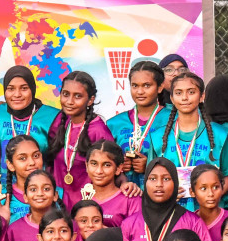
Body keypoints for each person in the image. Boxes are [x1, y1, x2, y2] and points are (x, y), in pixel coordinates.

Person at [145, 72, 228, 210]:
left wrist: (211, 196)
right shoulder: (157, 137)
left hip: (209, 212)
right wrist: (165, 196)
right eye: (179, 93)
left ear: (202, 96)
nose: (185, 98)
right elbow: (151, 178)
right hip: (171, 211)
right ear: (172, 98)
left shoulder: (220, 134)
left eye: (191, 92)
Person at [122, 158, 215, 241]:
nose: (159, 184)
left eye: (166, 179)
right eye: (153, 179)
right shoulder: (129, 223)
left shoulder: (192, 221)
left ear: (176, 183)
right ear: (145, 183)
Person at [47, 71, 115, 211]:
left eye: (78, 96)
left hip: (86, 209)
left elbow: (111, 172)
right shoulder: (59, 121)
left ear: (90, 100)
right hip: (57, 206)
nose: (70, 101)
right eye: (66, 94)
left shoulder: (98, 131)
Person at [106, 60, 169, 185]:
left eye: (146, 85)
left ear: (160, 87)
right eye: (135, 86)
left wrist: (151, 165)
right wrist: (118, 165)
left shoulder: (172, 119)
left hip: (160, 194)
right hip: (124, 193)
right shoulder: (115, 124)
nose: (140, 91)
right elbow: (104, 160)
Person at [0, 66, 61, 162]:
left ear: (32, 90)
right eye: (11, 89)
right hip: (5, 177)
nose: (17, 94)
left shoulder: (52, 117)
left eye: (24, 88)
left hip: (39, 176)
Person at [0, 169, 58, 241]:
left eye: (46, 189)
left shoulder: (67, 227)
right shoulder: (14, 230)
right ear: (25, 197)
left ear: (55, 195)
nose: (40, 193)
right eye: (33, 189)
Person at [77, 140, 138, 228]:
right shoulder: (82, 196)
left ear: (118, 168)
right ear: (86, 166)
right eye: (94, 164)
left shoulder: (130, 199)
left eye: (107, 165)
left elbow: (137, 235)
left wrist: (103, 232)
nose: (99, 171)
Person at [0, 134, 46, 220]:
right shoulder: (1, 199)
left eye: (36, 156)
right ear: (10, 165)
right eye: (23, 158)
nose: (31, 162)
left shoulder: (58, 194)